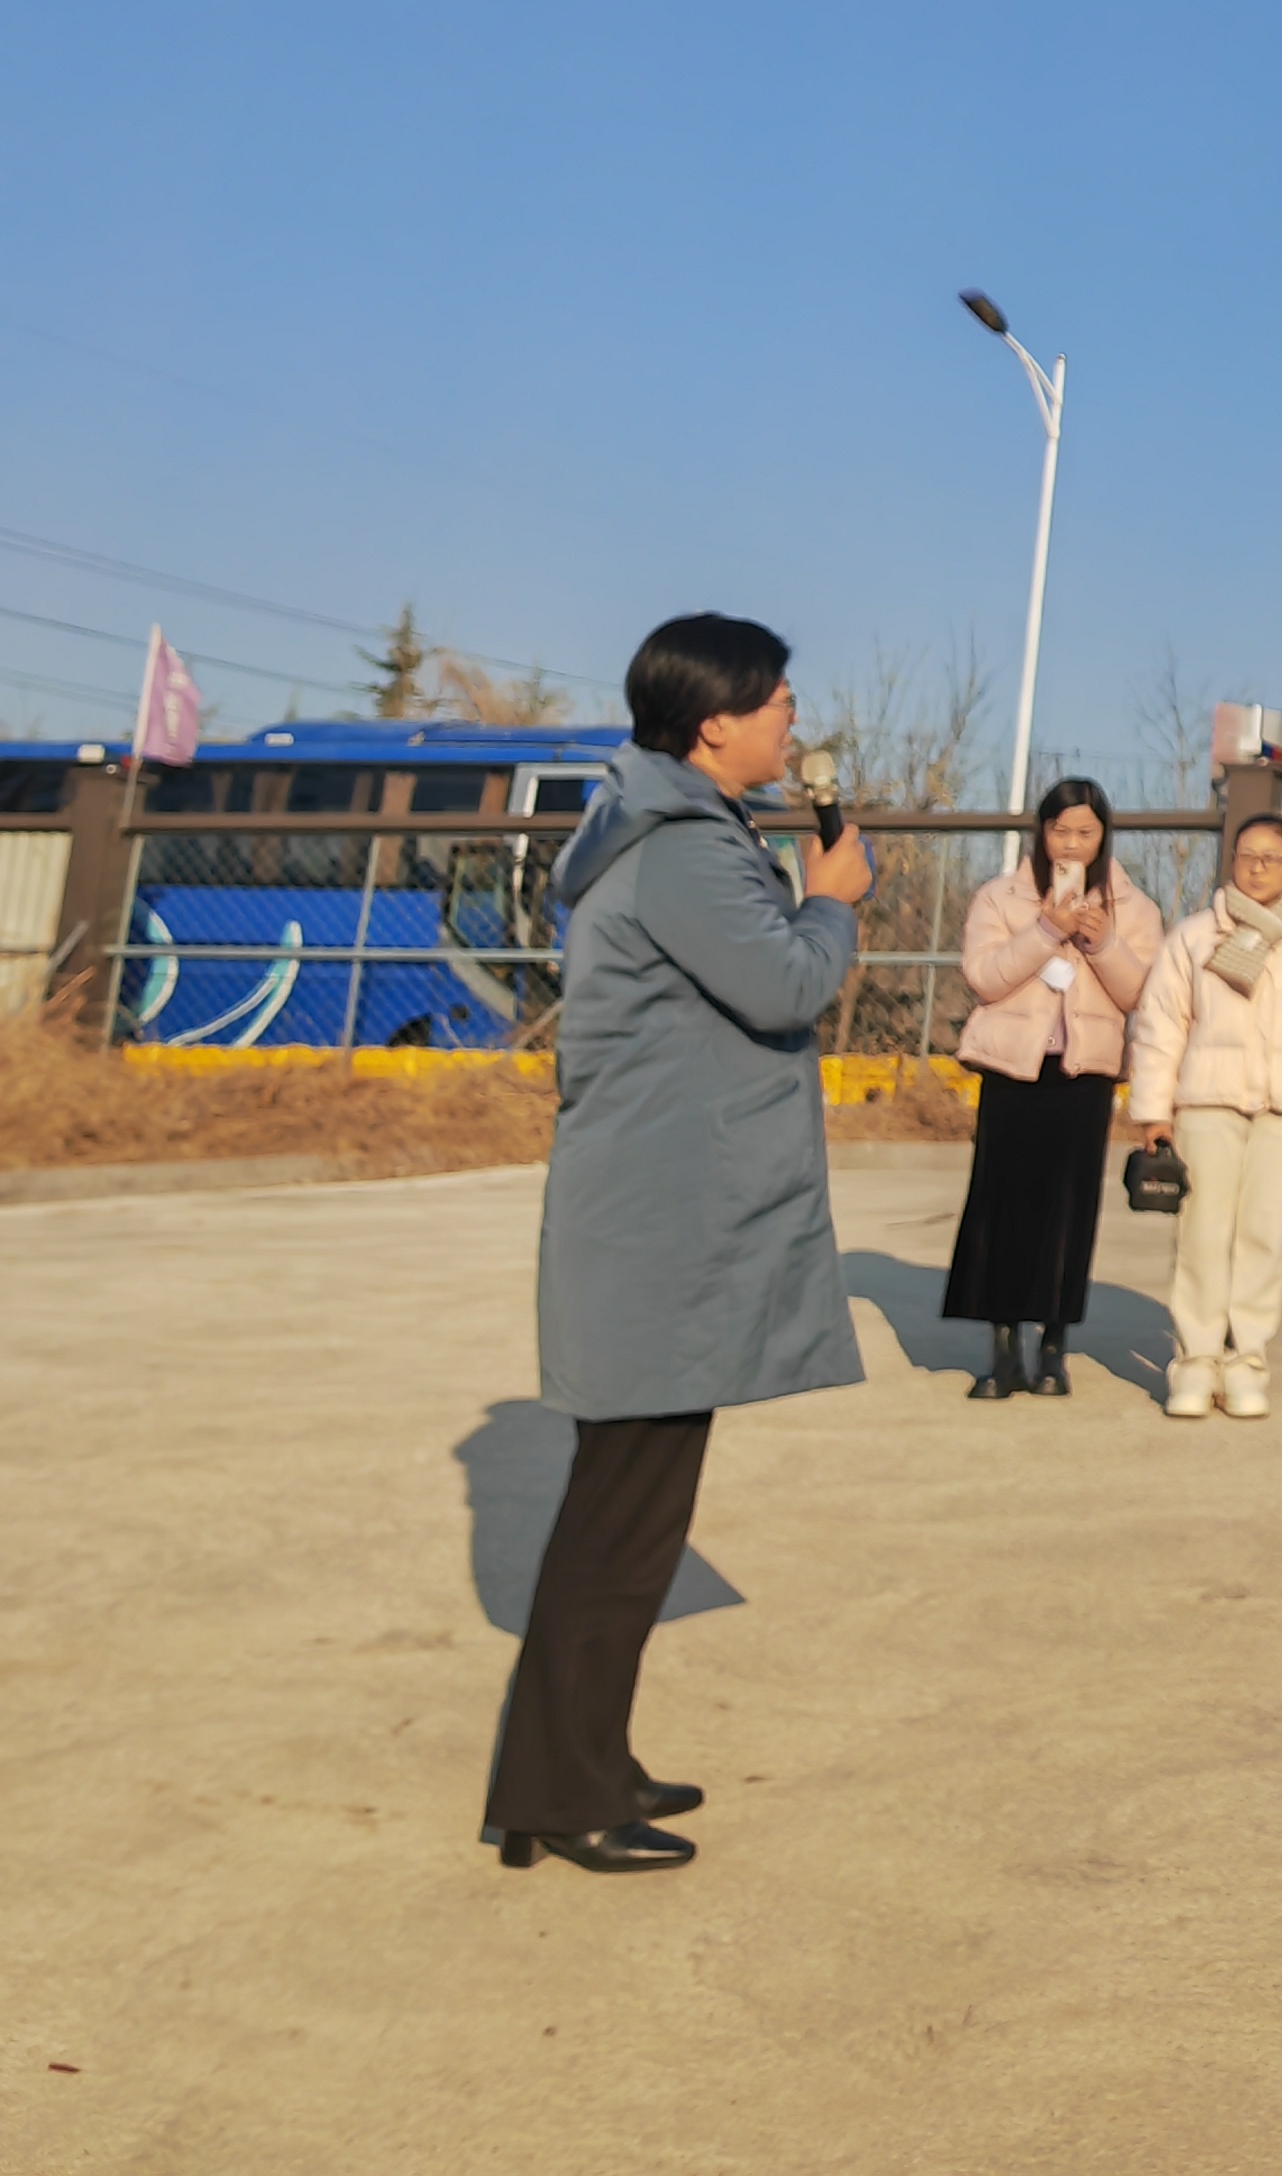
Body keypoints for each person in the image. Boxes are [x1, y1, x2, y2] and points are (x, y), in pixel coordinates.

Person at [491, 614, 871, 1874]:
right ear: (715, 723)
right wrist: (831, 904)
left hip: (657, 1218)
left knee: (631, 1521)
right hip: (658, 1227)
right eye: (777, 703)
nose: (792, 721)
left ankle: (583, 1765)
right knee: (618, 1529)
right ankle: (559, 1794)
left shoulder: (672, 829)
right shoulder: (684, 848)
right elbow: (785, 985)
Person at [1128, 814, 1282, 1416]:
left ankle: (1246, 1362)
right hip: (1207, 1105)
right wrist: (1153, 1110)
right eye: (1247, 856)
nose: (1258, 868)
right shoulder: (1195, 937)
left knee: (1266, 1235)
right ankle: (1195, 1363)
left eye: (1271, 858)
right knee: (1202, 1234)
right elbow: (1161, 1025)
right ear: (1231, 861)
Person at [945, 778, 1166, 1401]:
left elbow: (1139, 994)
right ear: (1041, 833)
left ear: (1104, 837)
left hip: (1083, 1075)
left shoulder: (1134, 908)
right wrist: (1045, 929)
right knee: (1000, 1206)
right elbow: (984, 978)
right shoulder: (1000, 897)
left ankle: (1054, 1346)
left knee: (1069, 1210)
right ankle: (1002, 1347)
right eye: (1060, 830)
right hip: (1012, 1070)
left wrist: (1103, 940)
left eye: (1085, 833)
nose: (1071, 844)